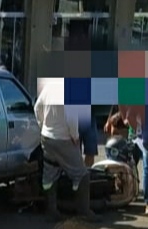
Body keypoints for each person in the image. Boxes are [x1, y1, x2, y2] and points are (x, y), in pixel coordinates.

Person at [34, 82, 101, 222]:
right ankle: (84, 212)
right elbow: (72, 119)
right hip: (63, 139)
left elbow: (37, 108)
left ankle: (51, 211)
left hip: (47, 138)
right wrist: (75, 137)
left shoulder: (48, 88)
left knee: (49, 174)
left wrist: (42, 126)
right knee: (81, 174)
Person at [116, 105, 148, 214]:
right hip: (141, 135)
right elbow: (128, 115)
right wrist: (138, 130)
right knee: (142, 168)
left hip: (141, 135)